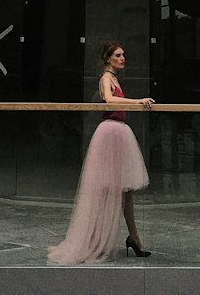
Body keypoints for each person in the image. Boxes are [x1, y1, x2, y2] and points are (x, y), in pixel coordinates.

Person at [48, 39, 155, 264]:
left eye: (123, 55)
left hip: (118, 133)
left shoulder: (114, 78)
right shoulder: (106, 78)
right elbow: (108, 99)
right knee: (109, 189)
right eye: (118, 55)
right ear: (108, 58)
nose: (122, 58)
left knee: (125, 191)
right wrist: (138, 102)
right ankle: (98, 239)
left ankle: (134, 238)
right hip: (110, 134)